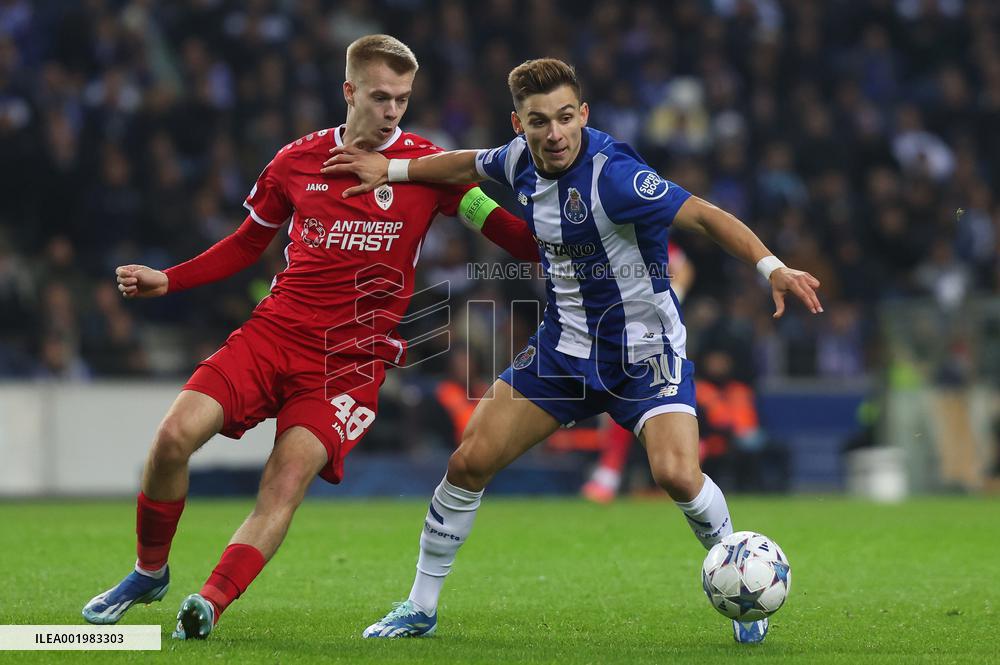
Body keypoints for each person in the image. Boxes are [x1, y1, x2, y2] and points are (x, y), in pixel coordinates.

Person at [323, 58, 822, 644]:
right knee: (467, 462)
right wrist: (394, 168)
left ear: (583, 114)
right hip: (563, 350)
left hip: (644, 354)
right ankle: (420, 606)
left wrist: (773, 266)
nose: (554, 133)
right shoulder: (517, 160)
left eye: (565, 117)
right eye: (539, 122)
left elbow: (705, 217)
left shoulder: (615, 177)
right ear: (520, 124)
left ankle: (742, 583)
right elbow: (465, 164)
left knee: (678, 476)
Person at [81, 35, 538, 640]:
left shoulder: (429, 169)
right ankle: (149, 571)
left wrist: (575, 242)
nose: (393, 112)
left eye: (402, 99)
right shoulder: (296, 161)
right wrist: (171, 278)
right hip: (273, 334)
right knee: (171, 439)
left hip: (348, 363)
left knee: (285, 479)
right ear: (349, 91)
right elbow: (248, 242)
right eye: (381, 97)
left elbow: (508, 232)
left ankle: (209, 604)